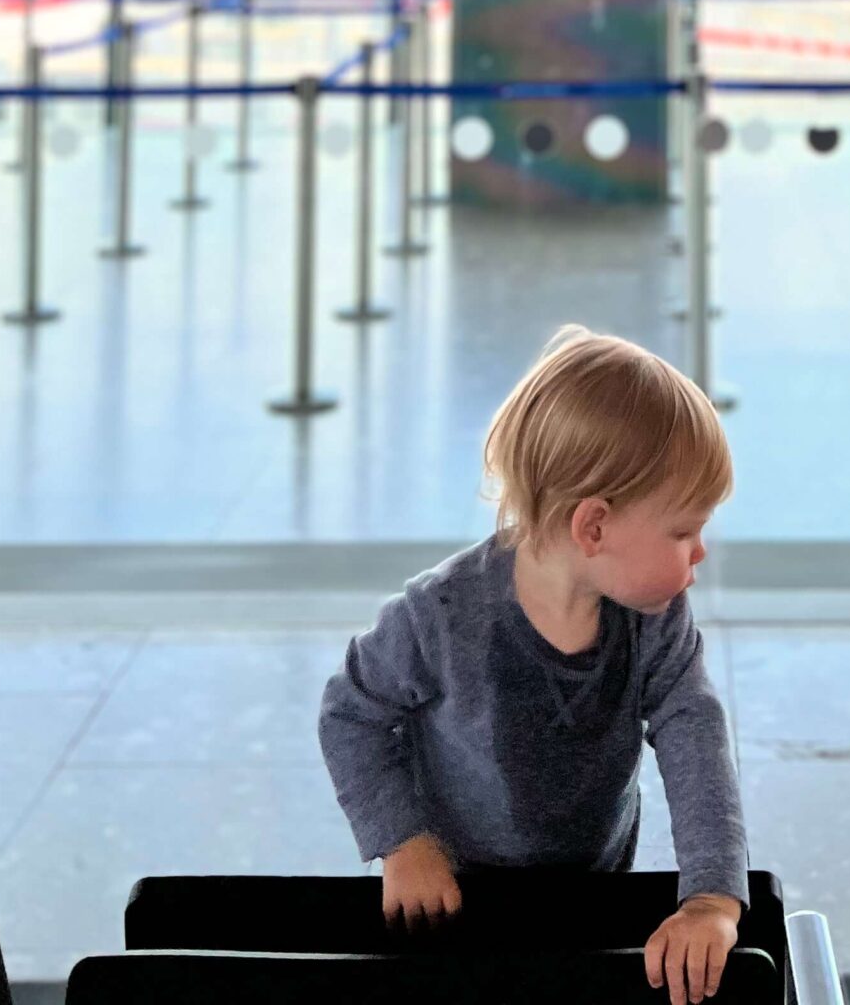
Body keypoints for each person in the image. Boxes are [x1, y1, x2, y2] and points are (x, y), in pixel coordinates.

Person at [320, 327, 747, 1005]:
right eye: (683, 531)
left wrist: (711, 900)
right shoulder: (442, 614)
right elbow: (352, 714)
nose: (700, 553)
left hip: (591, 892)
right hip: (455, 897)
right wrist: (403, 841)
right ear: (595, 528)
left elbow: (696, 738)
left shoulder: (655, 618)